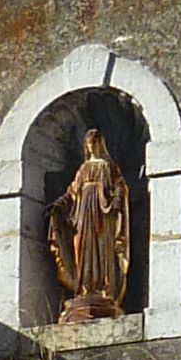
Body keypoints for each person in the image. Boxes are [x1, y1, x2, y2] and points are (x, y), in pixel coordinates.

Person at [48, 125, 132, 322]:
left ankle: (104, 289)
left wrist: (118, 197)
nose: (92, 146)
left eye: (95, 142)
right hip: (83, 214)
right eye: (89, 143)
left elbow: (119, 186)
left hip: (104, 214)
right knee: (82, 249)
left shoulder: (108, 166)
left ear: (100, 144)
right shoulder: (83, 169)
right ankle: (85, 289)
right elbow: (72, 192)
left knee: (103, 248)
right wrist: (59, 204)